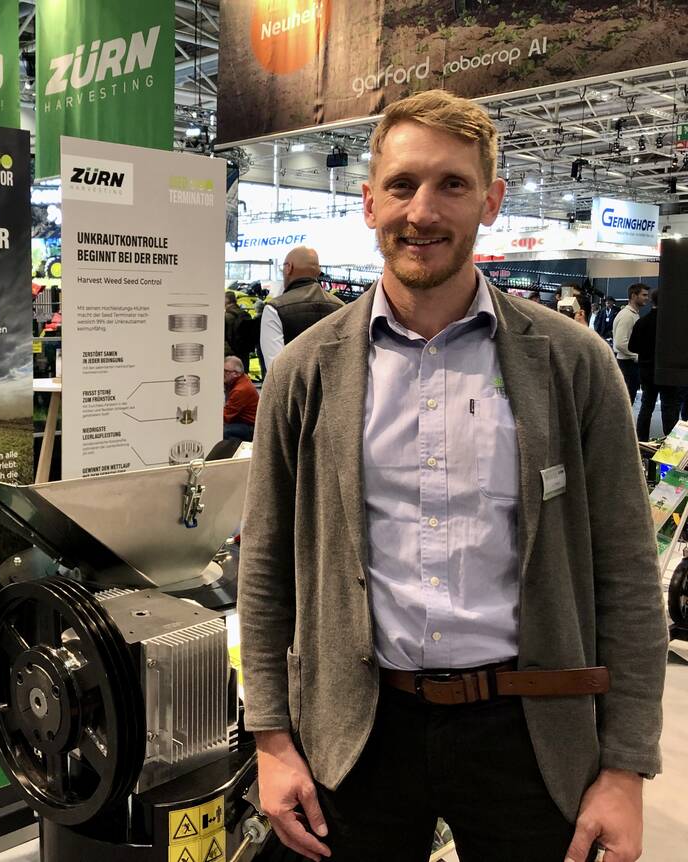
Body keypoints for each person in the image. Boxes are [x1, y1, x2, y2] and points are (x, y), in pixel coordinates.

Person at [240, 89, 665, 862]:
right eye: (402, 186)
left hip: (530, 736)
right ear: (369, 203)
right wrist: (272, 738)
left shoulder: (574, 364)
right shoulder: (307, 372)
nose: (423, 211)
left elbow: (630, 577)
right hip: (357, 730)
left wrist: (625, 767)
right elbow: (267, 566)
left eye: (452, 185)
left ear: (491, 202)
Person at [259, 246, 344, 366]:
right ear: (318, 271)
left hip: (292, 384)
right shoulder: (341, 307)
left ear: (289, 267)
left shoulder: (275, 309)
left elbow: (275, 369)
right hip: (333, 384)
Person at [630, 288, 680, 441]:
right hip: (668, 371)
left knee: (647, 406)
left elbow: (632, 347)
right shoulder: (674, 325)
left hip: (646, 371)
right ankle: (670, 443)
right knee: (669, 407)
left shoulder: (642, 322)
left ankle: (641, 440)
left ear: (652, 300)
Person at [612, 282, 650, 405]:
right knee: (626, 402)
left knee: (628, 401)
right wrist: (636, 356)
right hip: (627, 364)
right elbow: (620, 342)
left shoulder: (632, 314)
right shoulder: (627, 316)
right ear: (634, 296)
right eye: (644, 295)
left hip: (629, 364)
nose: (646, 298)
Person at [222, 354, 258, 441]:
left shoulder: (240, 390)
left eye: (226, 371)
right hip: (243, 423)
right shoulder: (241, 379)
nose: (222, 374)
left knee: (221, 432)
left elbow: (225, 417)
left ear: (236, 374)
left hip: (250, 427)